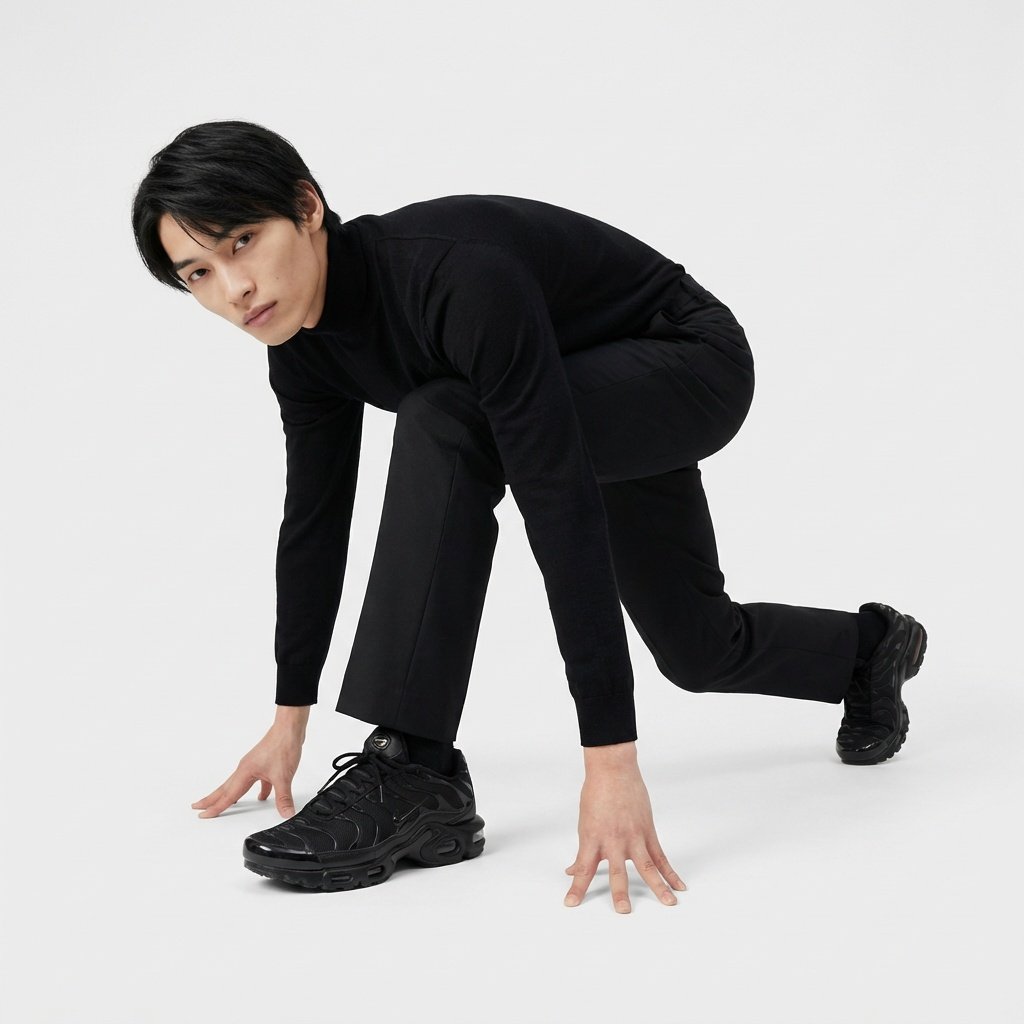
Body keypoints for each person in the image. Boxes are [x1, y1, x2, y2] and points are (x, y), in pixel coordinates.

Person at [130, 120, 928, 912]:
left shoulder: (453, 277)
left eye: (242, 242)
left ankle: (414, 768)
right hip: (574, 383)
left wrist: (610, 762)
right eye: (198, 273)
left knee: (447, 417)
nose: (232, 289)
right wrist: (289, 716)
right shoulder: (300, 346)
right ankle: (864, 652)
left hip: (686, 361)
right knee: (697, 648)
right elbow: (313, 519)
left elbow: (557, 504)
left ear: (307, 207)